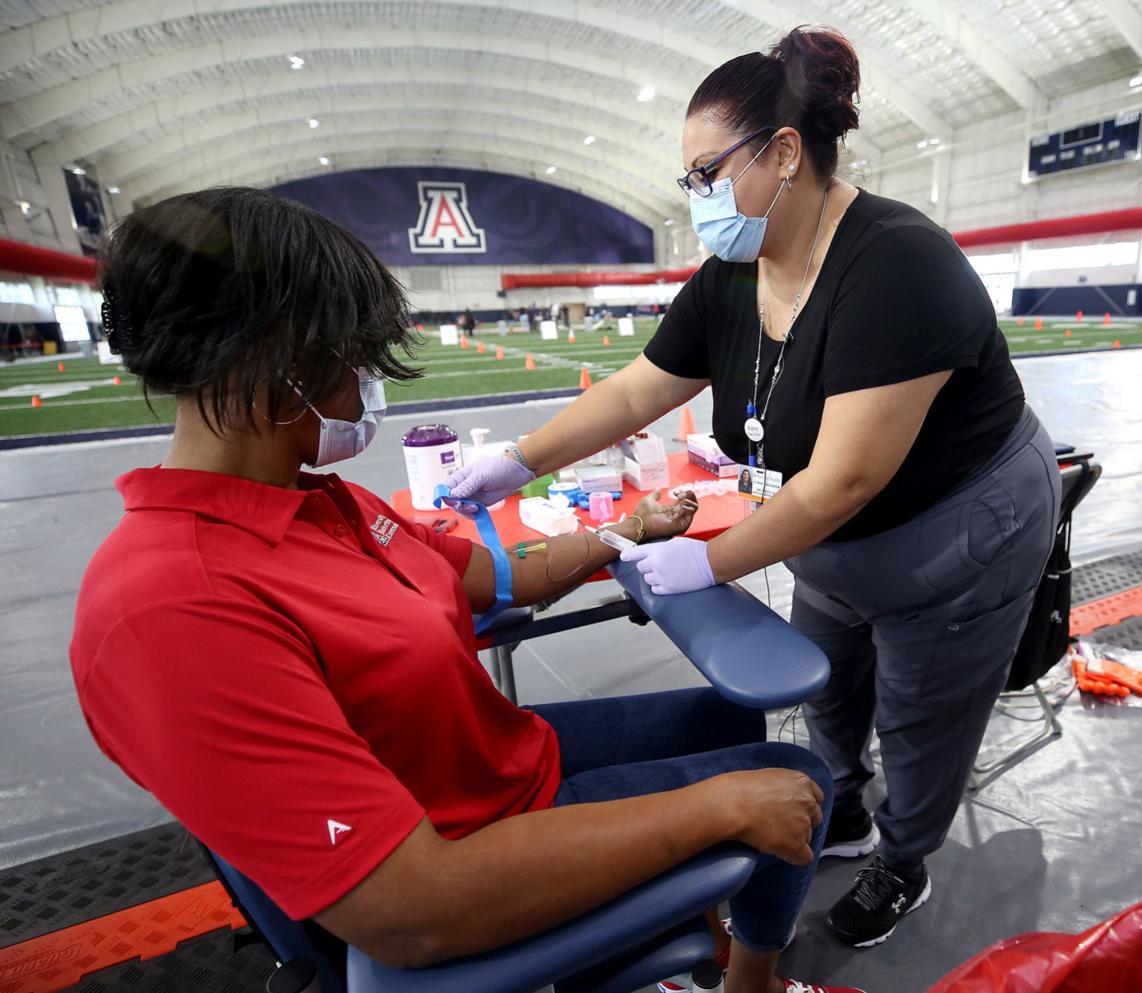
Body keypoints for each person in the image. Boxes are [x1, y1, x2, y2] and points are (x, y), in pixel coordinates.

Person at [69, 187, 862, 993]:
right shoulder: (170, 606)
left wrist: (633, 531)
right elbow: (413, 908)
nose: (369, 379)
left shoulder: (324, 505)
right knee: (794, 784)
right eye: (354, 355)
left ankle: (683, 927)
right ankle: (748, 984)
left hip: (499, 770)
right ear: (280, 364)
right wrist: (718, 808)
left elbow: (497, 576)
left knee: (730, 712)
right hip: (470, 850)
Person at [448, 24, 1061, 950]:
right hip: (826, 530)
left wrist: (707, 561)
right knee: (827, 680)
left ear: (783, 153)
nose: (695, 199)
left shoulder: (895, 265)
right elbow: (637, 388)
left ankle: (905, 857)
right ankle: (842, 812)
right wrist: (518, 460)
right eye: (687, 181)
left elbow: (848, 476)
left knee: (923, 704)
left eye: (706, 173)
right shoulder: (737, 273)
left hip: (958, 524)